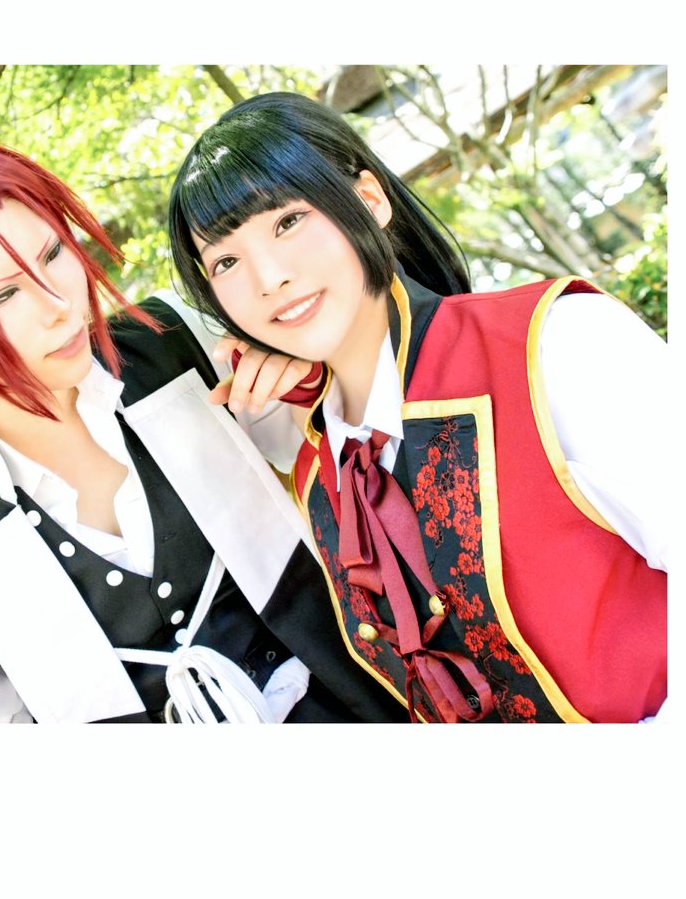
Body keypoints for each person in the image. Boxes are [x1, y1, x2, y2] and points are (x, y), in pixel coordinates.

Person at [0, 130, 409, 723]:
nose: (59, 304)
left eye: (53, 254)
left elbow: (372, 469)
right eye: (2, 297)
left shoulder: (183, 342)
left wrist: (311, 378)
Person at [167, 91, 668, 723]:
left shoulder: (557, 343)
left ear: (369, 200)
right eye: (226, 261)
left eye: (287, 222)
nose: (268, 279)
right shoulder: (319, 477)